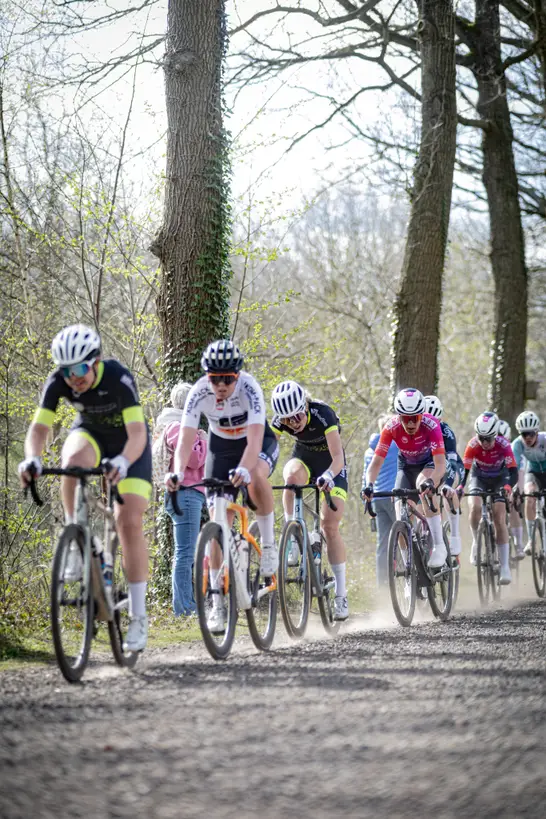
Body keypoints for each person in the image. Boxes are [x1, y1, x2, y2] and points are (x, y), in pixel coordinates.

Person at [18, 324, 151, 651]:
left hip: (129, 445)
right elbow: (39, 428)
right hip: (90, 435)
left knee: (128, 522)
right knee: (72, 460)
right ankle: (76, 537)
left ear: (96, 362)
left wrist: (123, 461)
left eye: (79, 369)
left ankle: (138, 616)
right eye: (66, 371)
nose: (73, 378)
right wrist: (32, 458)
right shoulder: (58, 381)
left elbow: (138, 433)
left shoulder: (118, 377)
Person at [165, 339, 279, 635]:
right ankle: (217, 604)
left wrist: (245, 468)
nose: (221, 385)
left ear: (237, 375)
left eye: (227, 378)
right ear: (207, 376)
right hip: (221, 448)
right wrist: (177, 472)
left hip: (255, 444)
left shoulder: (250, 388)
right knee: (217, 525)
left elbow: (255, 441)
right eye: (215, 378)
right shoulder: (199, 392)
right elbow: (185, 441)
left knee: (256, 474)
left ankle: (268, 545)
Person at [271, 380, 349, 621]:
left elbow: (338, 457)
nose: (294, 423)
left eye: (297, 416)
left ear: (305, 406)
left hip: (332, 465)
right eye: (287, 421)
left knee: (330, 526)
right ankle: (293, 535)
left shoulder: (323, 414)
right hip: (304, 459)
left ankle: (341, 594)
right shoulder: (281, 420)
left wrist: (329, 475)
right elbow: (266, 449)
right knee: (290, 478)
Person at [363, 388, 447, 568]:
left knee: (422, 485)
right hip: (406, 466)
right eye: (405, 418)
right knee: (399, 512)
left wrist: (431, 481)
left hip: (429, 464)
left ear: (421, 415)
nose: (410, 423)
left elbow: (441, 464)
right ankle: (410, 568)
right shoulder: (391, 427)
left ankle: (439, 545)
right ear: (398, 416)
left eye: (414, 418)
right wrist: (369, 485)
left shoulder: (431, 425)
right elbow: (376, 462)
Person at [157, 382, 207, 617]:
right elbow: (194, 459)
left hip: (189, 493)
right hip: (185, 493)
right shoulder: (177, 427)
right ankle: (184, 608)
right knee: (185, 553)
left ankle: (187, 604)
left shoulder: (179, 426)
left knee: (187, 552)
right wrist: (203, 439)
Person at [458, 411, 518, 584]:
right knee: (475, 507)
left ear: (495, 435)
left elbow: (513, 472)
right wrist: (460, 486)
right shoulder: (473, 445)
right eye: (481, 438)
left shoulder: (504, 444)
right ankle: (476, 541)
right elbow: (465, 470)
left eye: (488, 439)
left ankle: (504, 566)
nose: (484, 443)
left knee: (499, 518)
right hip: (479, 478)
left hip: (500, 479)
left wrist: (508, 486)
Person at [424, 395, 464, 559]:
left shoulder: (446, 432)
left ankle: (455, 535)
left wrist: (448, 484)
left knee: (448, 490)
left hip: (451, 465)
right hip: (430, 466)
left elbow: (452, 463)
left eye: (435, 421)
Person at [362, 415, 398, 589]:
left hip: (376, 498)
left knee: (383, 543)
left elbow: (365, 476)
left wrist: (366, 500)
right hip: (394, 496)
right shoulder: (396, 446)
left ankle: (382, 585)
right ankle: (408, 576)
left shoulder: (369, 451)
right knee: (405, 536)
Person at [512, 411, 546, 555]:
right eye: (524, 434)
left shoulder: (544, 439)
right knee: (530, 497)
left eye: (531, 434)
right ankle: (531, 540)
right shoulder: (517, 444)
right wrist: (515, 488)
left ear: (537, 432)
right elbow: (513, 468)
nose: (528, 438)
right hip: (533, 472)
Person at [497, 419, 525, 560]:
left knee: (513, 504)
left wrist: (517, 491)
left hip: (510, 480)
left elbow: (519, 473)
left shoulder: (513, 449)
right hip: (495, 480)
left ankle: (519, 544)